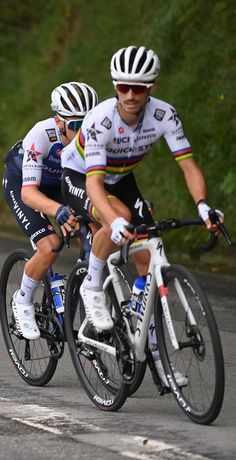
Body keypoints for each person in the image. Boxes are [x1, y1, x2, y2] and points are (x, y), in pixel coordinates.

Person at [61, 45, 224, 386]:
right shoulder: (100, 121)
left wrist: (203, 205)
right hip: (80, 177)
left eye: (139, 87)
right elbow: (94, 185)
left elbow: (188, 165)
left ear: (153, 88)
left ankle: (152, 353)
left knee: (148, 260)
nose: (131, 95)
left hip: (121, 177)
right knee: (116, 215)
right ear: (115, 86)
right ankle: (92, 286)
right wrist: (114, 219)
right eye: (123, 87)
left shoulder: (164, 115)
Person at [3, 82, 98, 339]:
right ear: (59, 122)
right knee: (50, 245)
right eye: (76, 126)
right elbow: (29, 194)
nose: (83, 134)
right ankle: (23, 300)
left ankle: (86, 282)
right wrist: (59, 211)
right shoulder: (41, 134)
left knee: (97, 229)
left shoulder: (98, 135)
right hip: (25, 183)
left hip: (61, 183)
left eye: (88, 125)